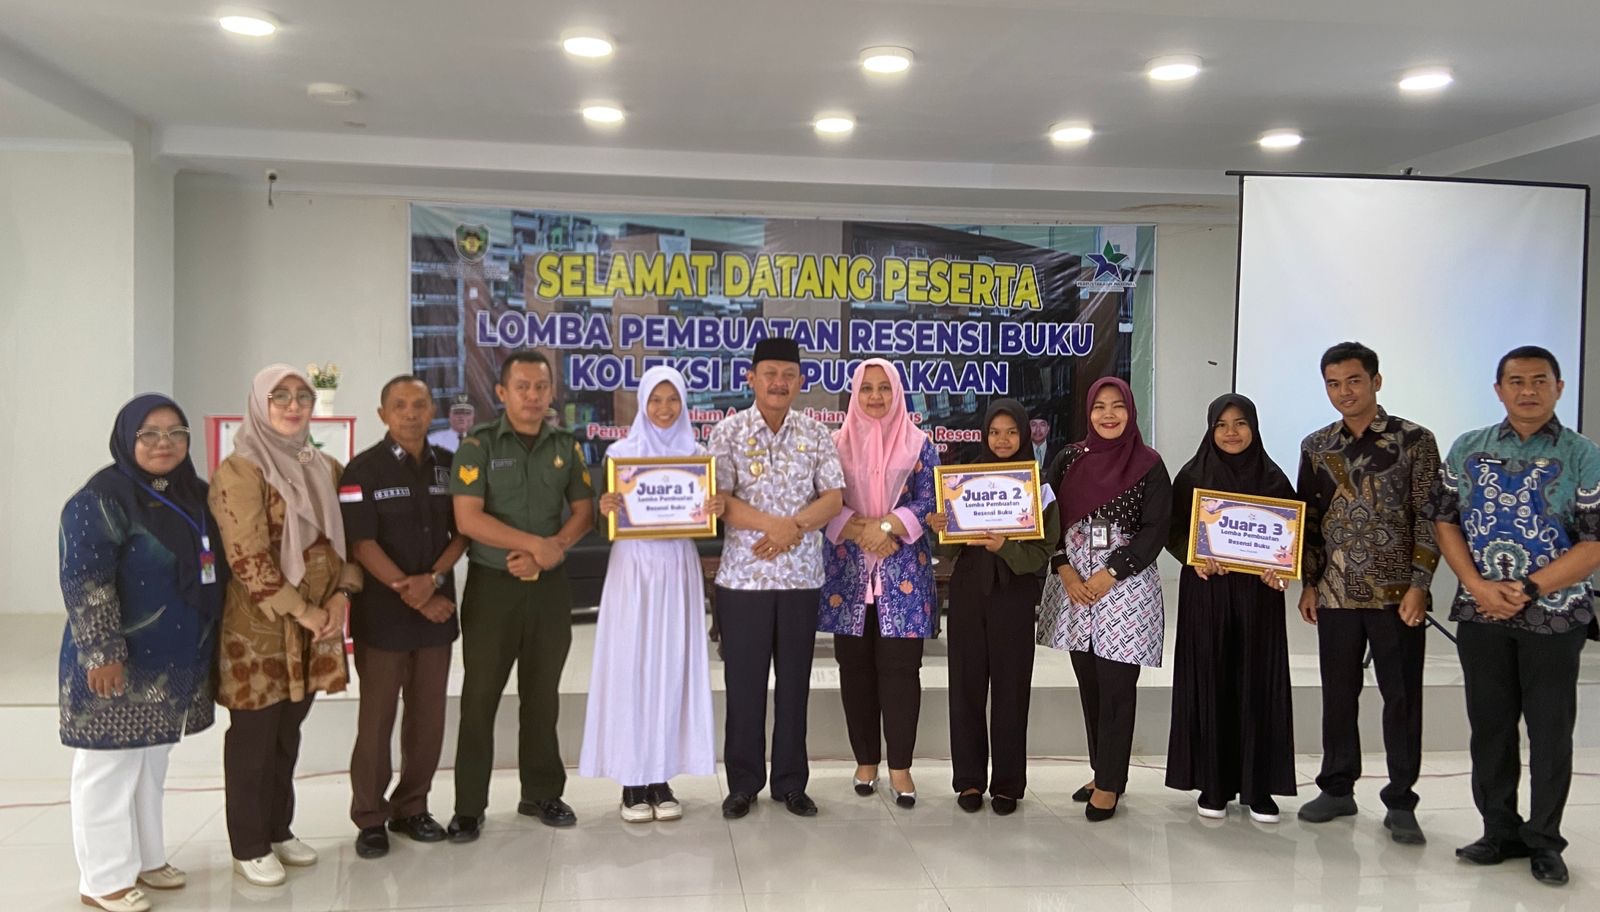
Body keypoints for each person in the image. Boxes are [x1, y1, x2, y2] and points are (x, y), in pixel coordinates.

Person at [1425, 346, 1600, 887]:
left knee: (1550, 731)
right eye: (1516, 381)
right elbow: (1444, 520)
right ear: (1498, 389)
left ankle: (1545, 841)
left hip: (1555, 613)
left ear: (1559, 387)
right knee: (1491, 726)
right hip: (1482, 612)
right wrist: (1477, 584)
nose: (1528, 390)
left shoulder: (1582, 454)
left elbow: (1595, 542)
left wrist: (1527, 587)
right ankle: (1498, 830)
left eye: (1539, 381)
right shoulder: (1468, 448)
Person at [60, 396, 225, 912]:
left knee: (151, 762)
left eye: (176, 433)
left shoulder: (195, 493)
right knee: (108, 767)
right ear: (127, 438)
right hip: (119, 659)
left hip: (174, 657)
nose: (163, 443)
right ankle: (103, 878)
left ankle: (147, 858)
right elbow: (85, 580)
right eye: (149, 434)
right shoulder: (102, 497)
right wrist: (102, 651)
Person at [210, 365, 361, 886]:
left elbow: (350, 545)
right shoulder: (240, 470)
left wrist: (341, 597)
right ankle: (247, 843)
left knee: (288, 733)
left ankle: (278, 827)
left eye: (302, 396)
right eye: (280, 397)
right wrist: (305, 611)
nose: (294, 406)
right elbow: (247, 557)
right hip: (260, 630)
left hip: (316, 628)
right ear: (259, 404)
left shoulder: (328, 467)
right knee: (254, 738)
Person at [447, 350, 595, 839]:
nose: (532, 396)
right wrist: (536, 545)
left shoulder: (565, 446)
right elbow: (468, 518)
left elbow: (583, 511)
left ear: (552, 392)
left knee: (542, 696)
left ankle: (542, 794)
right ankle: (469, 805)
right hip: (494, 590)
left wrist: (555, 551)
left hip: (549, 590)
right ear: (502, 393)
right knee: (480, 698)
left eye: (541, 387)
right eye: (523, 387)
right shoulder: (479, 446)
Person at [1294, 341, 1438, 845]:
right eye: (1333, 383)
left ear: (1376, 381)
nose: (1344, 392)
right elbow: (1308, 523)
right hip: (1334, 594)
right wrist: (1309, 582)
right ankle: (1337, 787)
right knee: (1338, 694)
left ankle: (1401, 799)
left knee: (1401, 698)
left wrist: (1421, 586)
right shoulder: (1317, 446)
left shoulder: (1414, 440)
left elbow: (1428, 518)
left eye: (1353, 381)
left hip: (1397, 596)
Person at [708, 337, 845, 819]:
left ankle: (791, 782)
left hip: (800, 581)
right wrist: (776, 526)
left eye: (788, 374)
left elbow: (832, 498)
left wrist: (797, 527)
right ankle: (743, 782)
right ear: (751, 378)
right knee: (744, 686)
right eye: (769, 373)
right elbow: (720, 501)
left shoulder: (816, 434)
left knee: (794, 685)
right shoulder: (726, 432)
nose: (779, 383)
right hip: (744, 581)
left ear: (800, 380)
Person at [582, 366, 723, 821]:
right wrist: (607, 507)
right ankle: (631, 781)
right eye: (656, 400)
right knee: (633, 665)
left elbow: (704, 517)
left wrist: (713, 507)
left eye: (673, 400)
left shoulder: (696, 454)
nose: (664, 409)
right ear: (642, 403)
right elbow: (607, 519)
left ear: (684, 404)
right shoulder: (621, 453)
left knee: (671, 665)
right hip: (633, 571)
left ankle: (661, 778)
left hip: (677, 569)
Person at [340, 376, 469, 859]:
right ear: (383, 414)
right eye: (399, 405)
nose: (411, 413)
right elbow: (361, 543)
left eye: (419, 404)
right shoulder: (361, 470)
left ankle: (412, 807)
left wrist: (432, 580)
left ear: (432, 409)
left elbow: (464, 531)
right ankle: (370, 816)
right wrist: (414, 593)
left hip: (436, 612)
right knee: (376, 720)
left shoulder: (452, 466)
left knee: (428, 717)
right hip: (383, 617)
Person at [1039, 377, 1171, 822]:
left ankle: (1111, 783)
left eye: (1118, 406)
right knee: (1090, 685)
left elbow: (1156, 530)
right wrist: (1064, 567)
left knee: (1117, 689)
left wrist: (1111, 573)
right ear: (1089, 413)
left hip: (1125, 589)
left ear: (1131, 412)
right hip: (1074, 585)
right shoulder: (1068, 459)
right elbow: (1045, 517)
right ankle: (1104, 771)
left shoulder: (1149, 465)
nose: (1109, 415)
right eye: (1100, 407)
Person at [1164, 394, 1297, 823]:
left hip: (1258, 597)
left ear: (1254, 428)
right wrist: (1194, 557)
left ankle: (1260, 788)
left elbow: (1290, 540)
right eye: (1222, 424)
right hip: (1208, 593)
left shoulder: (1274, 480)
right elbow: (1172, 531)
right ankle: (1213, 783)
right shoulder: (1191, 476)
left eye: (1240, 423)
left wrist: (1282, 571)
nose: (1232, 432)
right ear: (1210, 430)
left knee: (1257, 681)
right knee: (1212, 679)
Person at [929, 399, 1059, 815]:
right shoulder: (964, 481)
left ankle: (1007, 783)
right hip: (967, 593)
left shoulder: (1039, 488)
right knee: (965, 687)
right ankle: (968, 781)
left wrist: (1005, 547)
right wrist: (940, 529)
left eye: (1011, 432)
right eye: (994, 432)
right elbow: (944, 549)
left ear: (1025, 435)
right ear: (984, 435)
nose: (1002, 440)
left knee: (1010, 689)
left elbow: (1043, 551)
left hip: (1014, 595)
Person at [819, 359, 939, 808]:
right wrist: (859, 529)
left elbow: (930, 499)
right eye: (866, 388)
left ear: (897, 393)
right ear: (854, 393)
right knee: (855, 672)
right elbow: (823, 499)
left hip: (902, 575)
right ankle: (866, 760)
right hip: (849, 577)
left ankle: (901, 767)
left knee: (902, 673)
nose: (874, 397)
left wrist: (888, 526)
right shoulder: (835, 445)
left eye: (883, 388)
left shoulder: (920, 444)